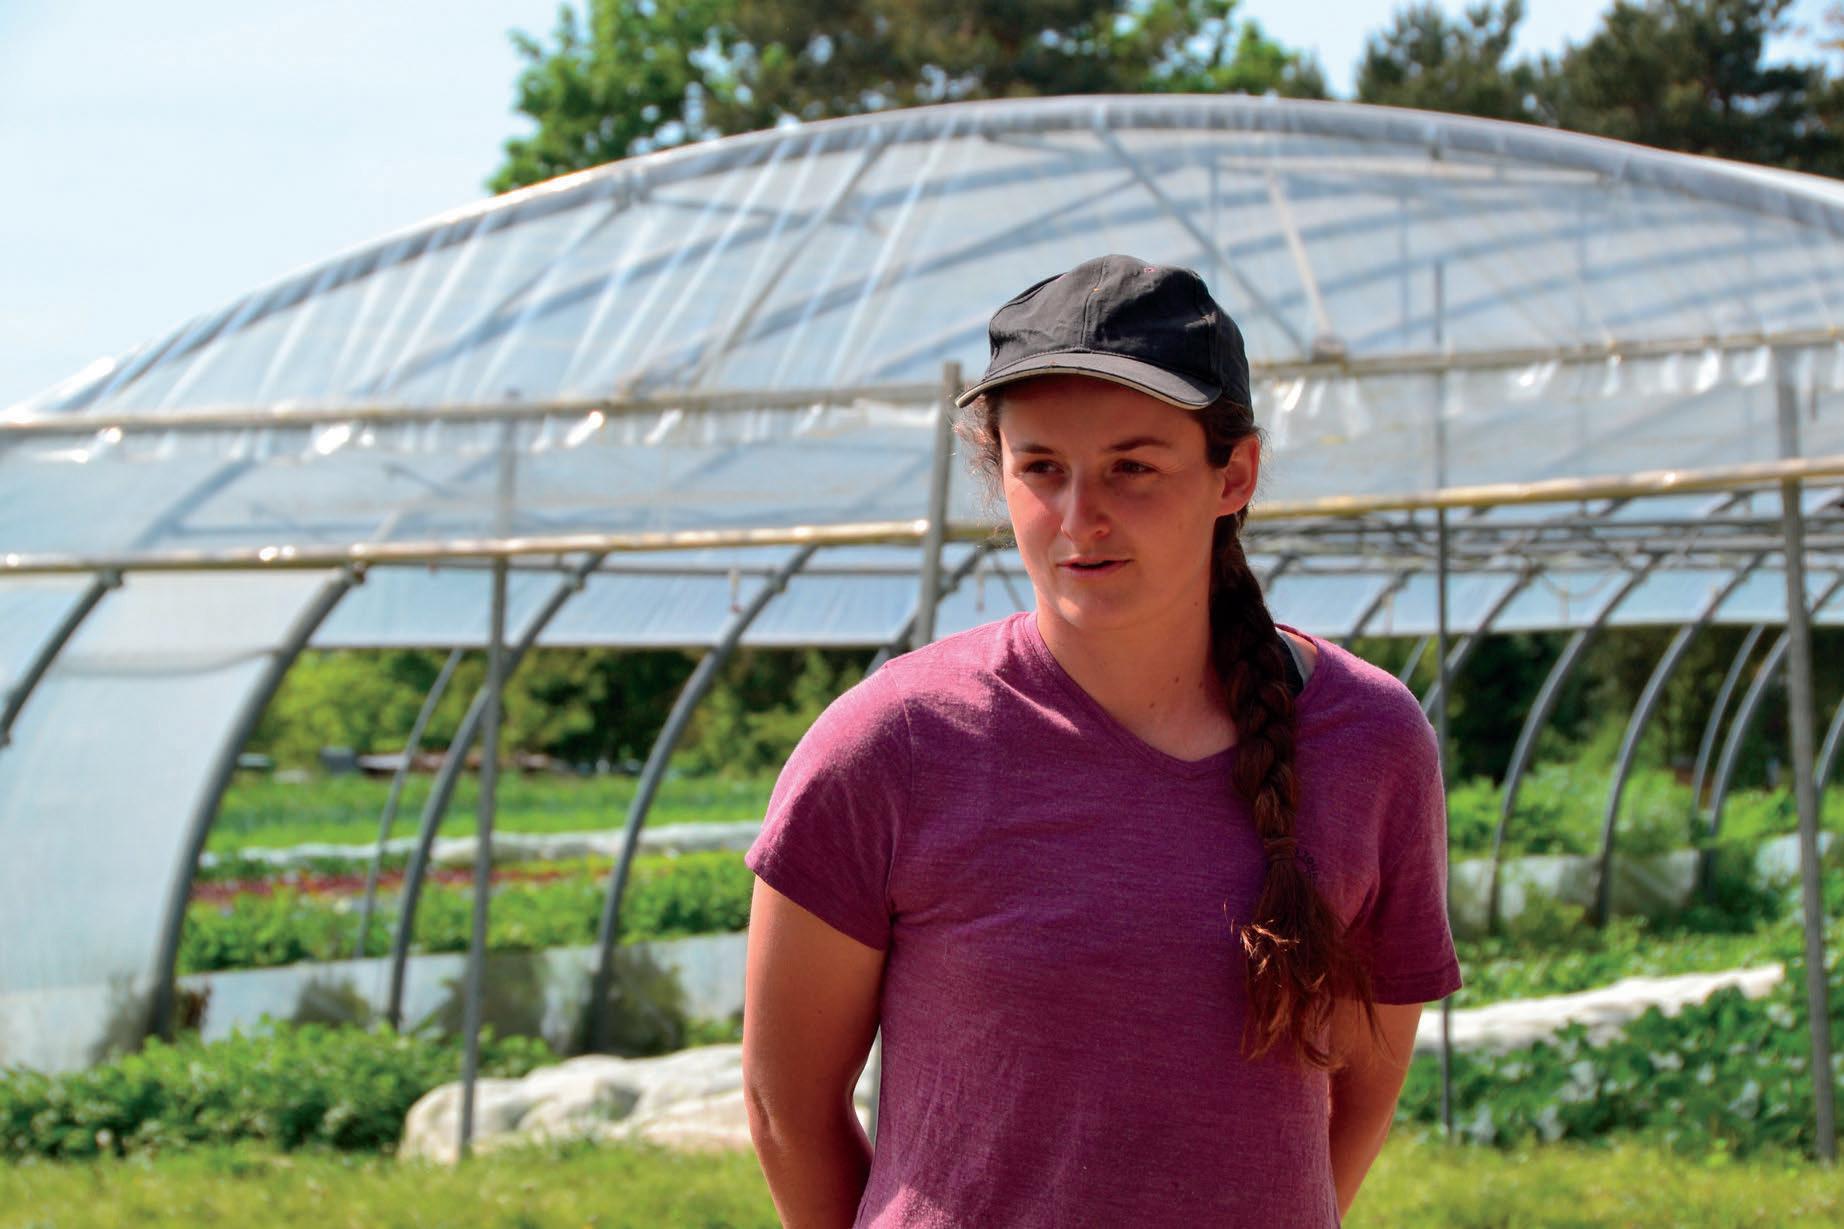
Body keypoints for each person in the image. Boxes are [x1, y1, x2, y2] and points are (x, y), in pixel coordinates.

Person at [741, 254, 1462, 1228]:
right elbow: (784, 1107)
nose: (1081, 518)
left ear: (1233, 474)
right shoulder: (891, 745)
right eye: (1041, 467)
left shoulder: (1368, 740)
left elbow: (1361, 1089)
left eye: (1133, 466)